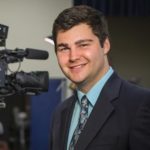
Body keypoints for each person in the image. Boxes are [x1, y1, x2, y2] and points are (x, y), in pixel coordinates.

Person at [50, 5, 150, 150]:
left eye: (83, 45)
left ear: (106, 45)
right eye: (64, 48)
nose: (73, 57)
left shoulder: (141, 104)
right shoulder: (60, 113)